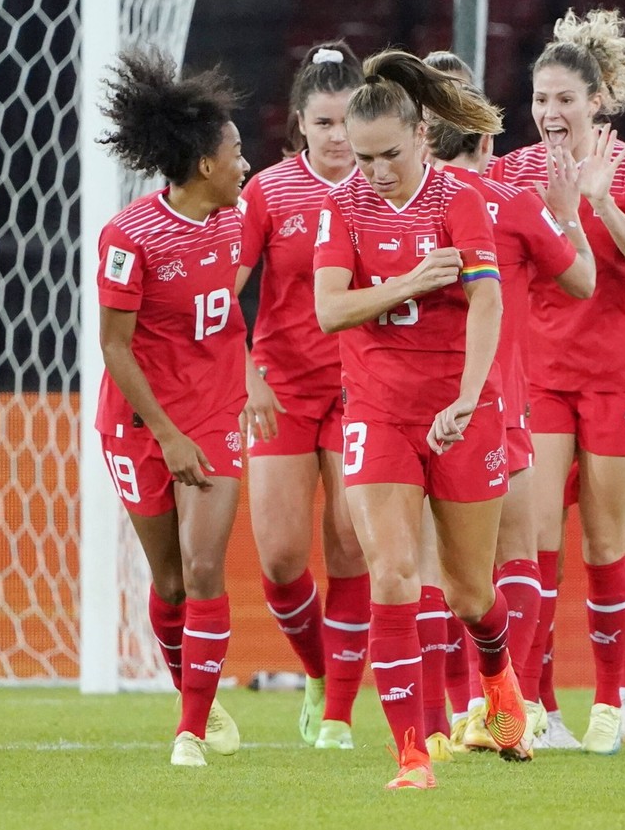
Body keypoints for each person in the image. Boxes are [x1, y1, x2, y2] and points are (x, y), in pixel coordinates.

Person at [313, 49, 526, 789]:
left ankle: (500, 685)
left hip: (462, 411)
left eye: (387, 155)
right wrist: (407, 281)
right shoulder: (340, 205)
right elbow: (330, 308)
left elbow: (489, 303)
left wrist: (468, 399)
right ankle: (410, 753)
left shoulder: (457, 198)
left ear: (421, 138)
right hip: (377, 412)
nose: (372, 170)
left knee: (470, 592)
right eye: (362, 156)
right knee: (396, 575)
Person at [489, 7, 625, 753]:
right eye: (540, 99)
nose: (549, 112)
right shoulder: (511, 173)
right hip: (538, 378)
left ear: (596, 101)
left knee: (605, 543)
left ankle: (611, 702)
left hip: (616, 380)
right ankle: (541, 707)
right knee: (537, 544)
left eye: (565, 98)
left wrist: (597, 202)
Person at [424, 76, 597, 757]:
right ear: (488, 136)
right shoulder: (512, 200)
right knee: (515, 558)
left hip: (410, 405)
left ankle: (438, 719)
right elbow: (581, 281)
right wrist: (569, 213)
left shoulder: (396, 208)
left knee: (428, 568)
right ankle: (497, 702)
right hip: (496, 400)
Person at [93, 48, 251, 768]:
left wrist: (258, 378)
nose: (245, 163)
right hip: (139, 422)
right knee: (170, 581)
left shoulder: (240, 219)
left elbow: (234, 318)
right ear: (205, 165)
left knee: (205, 567)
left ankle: (190, 730)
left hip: (216, 414)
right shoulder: (130, 237)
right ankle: (197, 694)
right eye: (236, 151)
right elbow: (115, 347)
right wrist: (166, 433)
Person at [237, 41, 370, 750]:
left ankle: (340, 713)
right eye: (324, 123)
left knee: (352, 539)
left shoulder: (383, 190)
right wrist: (248, 370)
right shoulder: (267, 192)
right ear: (298, 126)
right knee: (283, 560)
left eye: (350, 120)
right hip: (282, 389)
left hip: (362, 388)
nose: (340, 136)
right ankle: (321, 673)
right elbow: (220, 293)